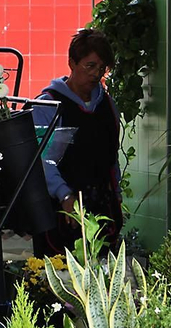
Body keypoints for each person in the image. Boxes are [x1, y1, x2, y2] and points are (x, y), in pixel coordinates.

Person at [34, 28, 123, 255]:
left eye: (102, 68)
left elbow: (112, 156)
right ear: (72, 63)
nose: (96, 74)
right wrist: (65, 196)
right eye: (90, 66)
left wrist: (117, 196)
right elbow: (42, 161)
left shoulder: (107, 105)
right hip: (60, 211)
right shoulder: (48, 105)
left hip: (102, 208)